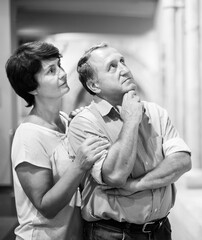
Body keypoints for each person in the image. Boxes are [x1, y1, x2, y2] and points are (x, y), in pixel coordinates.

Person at [68, 43, 192, 240]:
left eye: (123, 62)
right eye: (112, 67)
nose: (125, 70)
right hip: (112, 233)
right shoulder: (84, 123)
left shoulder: (155, 112)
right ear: (94, 85)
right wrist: (131, 120)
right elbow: (116, 174)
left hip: (160, 230)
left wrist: (135, 185)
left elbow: (182, 162)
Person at [5, 41, 110, 240]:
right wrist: (79, 165)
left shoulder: (64, 120)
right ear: (32, 87)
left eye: (59, 65)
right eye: (51, 71)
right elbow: (46, 206)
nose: (62, 73)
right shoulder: (28, 135)